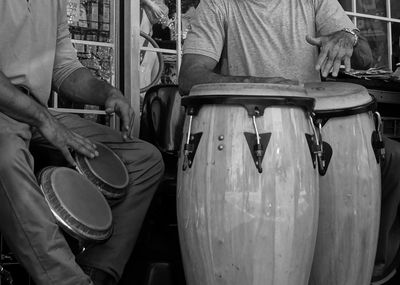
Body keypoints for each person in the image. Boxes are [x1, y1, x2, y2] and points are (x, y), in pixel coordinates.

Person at [178, 0, 400, 283]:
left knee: (392, 157)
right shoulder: (219, 4)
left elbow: (365, 58)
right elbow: (189, 75)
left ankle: (370, 270)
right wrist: (265, 85)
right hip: (252, 126)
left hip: (315, 125)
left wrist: (348, 38)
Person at [0, 1, 164, 285]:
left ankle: (95, 273)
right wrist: (44, 120)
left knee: (144, 160)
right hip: (8, 111)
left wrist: (108, 93)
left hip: (36, 112)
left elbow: (65, 69)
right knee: (6, 154)